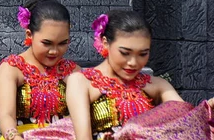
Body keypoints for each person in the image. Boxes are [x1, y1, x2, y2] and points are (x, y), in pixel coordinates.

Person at [24, 10, 214, 139]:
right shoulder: (82, 81)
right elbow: (83, 137)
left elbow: (185, 122)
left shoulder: (157, 85)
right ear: (105, 43)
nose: (133, 62)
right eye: (125, 53)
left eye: (143, 54)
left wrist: (207, 109)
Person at [0, 0, 80, 140]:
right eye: (47, 43)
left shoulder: (72, 71)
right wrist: (15, 137)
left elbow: (80, 116)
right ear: (29, 34)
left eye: (62, 43)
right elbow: (6, 116)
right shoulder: (11, 68)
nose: (54, 51)